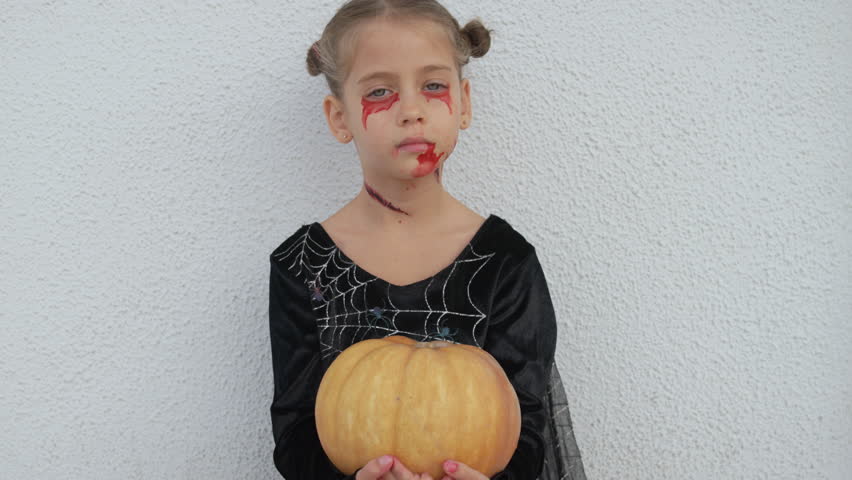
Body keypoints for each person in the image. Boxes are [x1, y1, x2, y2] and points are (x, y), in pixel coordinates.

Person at [267, 1, 587, 479]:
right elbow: (295, 433)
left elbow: (526, 426)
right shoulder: (302, 265)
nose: (412, 111)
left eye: (433, 86)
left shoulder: (505, 260)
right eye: (380, 91)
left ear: (464, 103)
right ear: (339, 117)